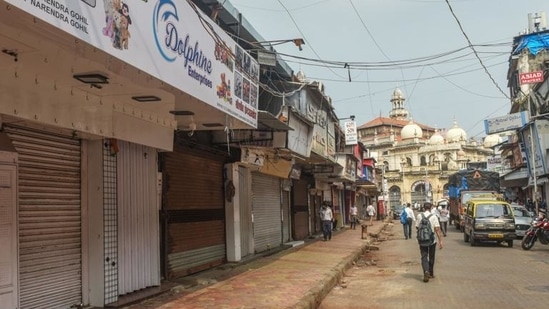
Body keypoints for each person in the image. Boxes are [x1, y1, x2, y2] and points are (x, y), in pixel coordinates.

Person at [415, 202, 443, 283]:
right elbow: (437, 229)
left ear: (423, 208)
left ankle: (425, 271)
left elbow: (417, 227)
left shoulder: (419, 216)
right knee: (431, 257)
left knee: (424, 256)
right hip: (432, 240)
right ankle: (430, 273)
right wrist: (440, 241)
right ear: (431, 208)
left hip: (422, 240)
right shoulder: (434, 217)